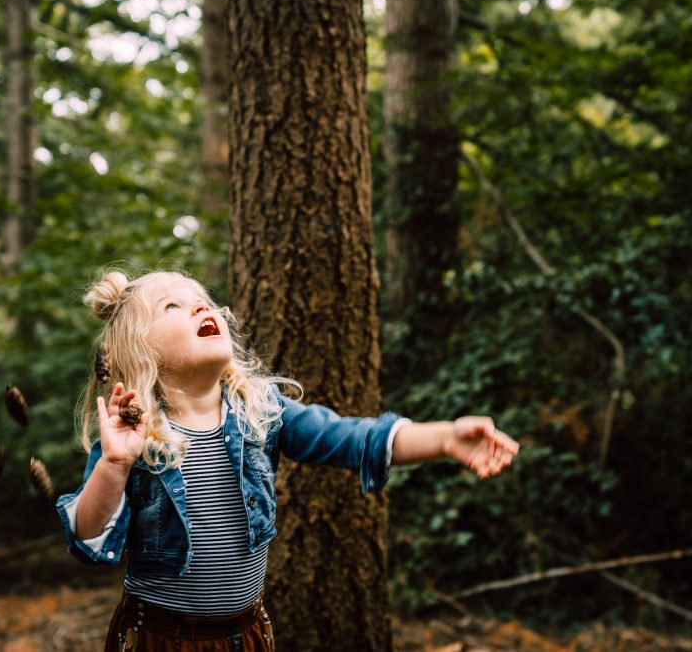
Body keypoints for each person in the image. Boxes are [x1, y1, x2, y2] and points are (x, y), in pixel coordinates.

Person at [56, 270, 521, 651]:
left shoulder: (261, 412)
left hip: (245, 634)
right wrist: (115, 464)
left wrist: (444, 437)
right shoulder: (134, 437)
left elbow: (351, 437)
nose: (200, 307)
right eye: (171, 306)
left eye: (202, 299)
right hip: (157, 639)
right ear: (140, 352)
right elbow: (88, 534)